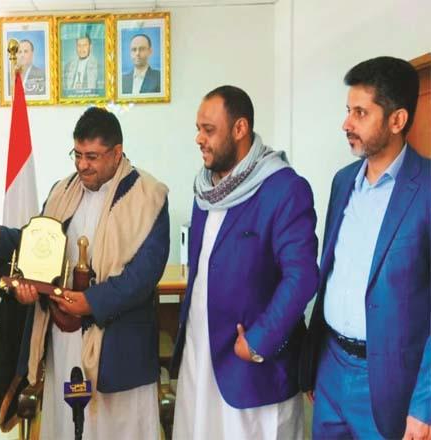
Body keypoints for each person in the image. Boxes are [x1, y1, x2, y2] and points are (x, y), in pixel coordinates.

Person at [0, 107, 170, 439]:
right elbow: (37, 245)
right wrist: (5, 249)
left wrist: (92, 302)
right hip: (64, 338)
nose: (81, 165)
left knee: (116, 428)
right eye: (76, 154)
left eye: (92, 156)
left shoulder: (148, 196)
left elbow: (143, 276)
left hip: (119, 346)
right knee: (68, 425)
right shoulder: (63, 190)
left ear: (117, 153)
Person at [172, 85, 319, 439]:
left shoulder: (284, 188)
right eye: (198, 128)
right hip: (201, 359)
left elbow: (301, 277)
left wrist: (259, 339)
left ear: (240, 129)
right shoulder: (204, 191)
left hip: (251, 367)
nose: (198, 139)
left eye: (209, 130)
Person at [300, 56, 430, 439]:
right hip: (330, 369)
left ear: (397, 120)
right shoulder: (343, 183)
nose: (346, 124)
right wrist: (313, 364)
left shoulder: (425, 190)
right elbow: (331, 277)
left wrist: (425, 405)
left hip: (390, 384)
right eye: (347, 111)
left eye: (360, 112)